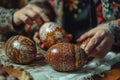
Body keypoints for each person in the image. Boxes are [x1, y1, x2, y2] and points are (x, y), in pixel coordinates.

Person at [34, 0, 120, 58]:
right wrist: (37, 16)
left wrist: (113, 28)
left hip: (112, 60)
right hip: (63, 53)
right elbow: (45, 3)